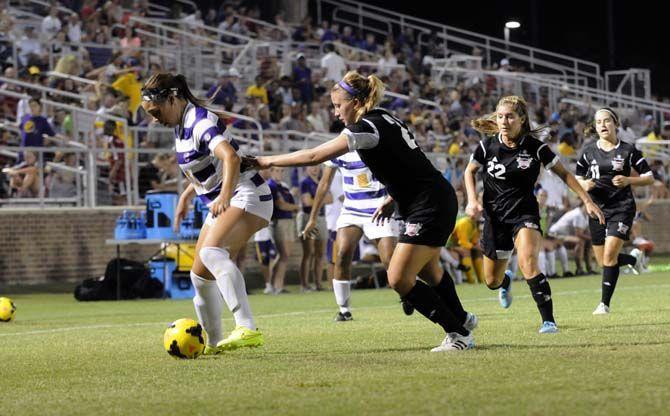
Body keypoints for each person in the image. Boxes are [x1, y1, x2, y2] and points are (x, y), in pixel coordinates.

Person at [247, 70, 477, 352]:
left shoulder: (367, 128)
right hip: (429, 199)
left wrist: (263, 160)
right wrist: (393, 196)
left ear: (355, 102)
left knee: (398, 279)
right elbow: (408, 163)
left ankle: (458, 333)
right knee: (430, 272)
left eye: (338, 105)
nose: (335, 113)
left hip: (428, 205)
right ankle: (463, 319)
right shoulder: (385, 118)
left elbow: (314, 156)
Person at [140, 72, 273, 354]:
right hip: (227, 198)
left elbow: (230, 157)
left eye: (155, 111)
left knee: (212, 253)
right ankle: (212, 344)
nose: (154, 119)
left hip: (247, 194)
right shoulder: (180, 125)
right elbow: (205, 169)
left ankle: (247, 328)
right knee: (199, 276)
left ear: (173, 99)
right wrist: (187, 196)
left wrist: (224, 196)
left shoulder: (199, 121)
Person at [464, 95, 605, 334]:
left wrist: (587, 200)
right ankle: (506, 281)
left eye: (509, 116)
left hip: (524, 214)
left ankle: (548, 321)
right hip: (495, 218)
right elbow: (469, 171)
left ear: (521, 119)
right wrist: (472, 199)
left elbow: (565, 174)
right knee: (491, 281)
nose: (504, 121)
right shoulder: (487, 145)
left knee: (528, 262)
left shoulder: (535, 148)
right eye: (500, 116)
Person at [301, 150, 399, 321]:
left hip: (379, 208)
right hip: (351, 211)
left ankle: (409, 293)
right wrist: (313, 218)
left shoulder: (375, 142)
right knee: (342, 254)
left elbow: (397, 174)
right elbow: (324, 184)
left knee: (390, 259)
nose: (342, 121)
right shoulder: (339, 148)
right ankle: (344, 310)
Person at [575, 108, 654, 315]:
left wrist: (629, 180)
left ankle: (604, 304)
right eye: (599, 121)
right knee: (603, 262)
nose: (602, 125)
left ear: (615, 124)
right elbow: (577, 180)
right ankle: (634, 260)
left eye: (607, 121)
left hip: (622, 207)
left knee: (610, 256)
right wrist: (586, 186)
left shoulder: (628, 150)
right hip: (597, 210)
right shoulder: (588, 151)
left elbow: (649, 176)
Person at [267, 166, 299, 294]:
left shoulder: (283, 187)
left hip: (288, 221)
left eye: (281, 171)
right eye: (277, 171)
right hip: (279, 221)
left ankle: (276, 284)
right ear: (271, 172)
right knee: (283, 255)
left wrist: (292, 207)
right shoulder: (271, 186)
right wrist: (297, 206)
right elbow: (281, 205)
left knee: (284, 255)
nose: (280, 173)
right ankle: (276, 285)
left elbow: (289, 203)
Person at [298, 165, 330, 292]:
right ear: (306, 169)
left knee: (320, 253)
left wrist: (315, 200)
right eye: (311, 166)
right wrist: (321, 200)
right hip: (307, 217)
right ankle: (304, 285)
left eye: (317, 166)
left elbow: (331, 199)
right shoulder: (305, 182)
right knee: (308, 253)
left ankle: (318, 284)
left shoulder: (322, 181)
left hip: (321, 218)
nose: (314, 168)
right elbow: (307, 202)